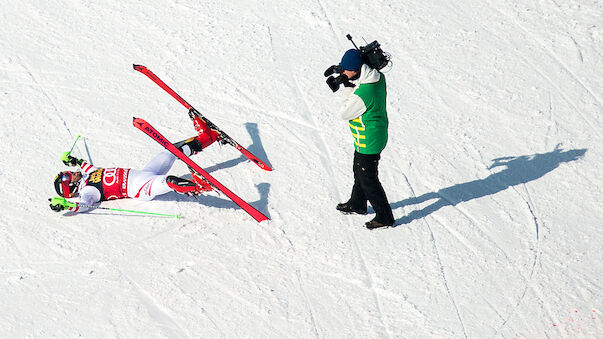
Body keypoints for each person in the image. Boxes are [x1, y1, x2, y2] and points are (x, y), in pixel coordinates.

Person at [49, 116, 220, 213]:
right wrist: (68, 205)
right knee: (170, 181)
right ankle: (200, 187)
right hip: (140, 188)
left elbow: (89, 168)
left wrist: (75, 161)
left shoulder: (89, 176)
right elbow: (85, 205)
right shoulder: (87, 191)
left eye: (66, 171)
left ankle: (209, 136)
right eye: (65, 176)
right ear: (69, 187)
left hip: (145, 172)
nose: (69, 172)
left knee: (169, 152)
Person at [334, 49, 395, 229]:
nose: (344, 73)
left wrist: (347, 87)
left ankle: (385, 217)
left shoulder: (364, 92)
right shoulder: (376, 77)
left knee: (368, 178)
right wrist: (346, 76)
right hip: (369, 135)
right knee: (358, 169)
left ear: (356, 70)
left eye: (346, 69)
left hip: (370, 139)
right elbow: (357, 78)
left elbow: (344, 112)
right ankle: (357, 203)